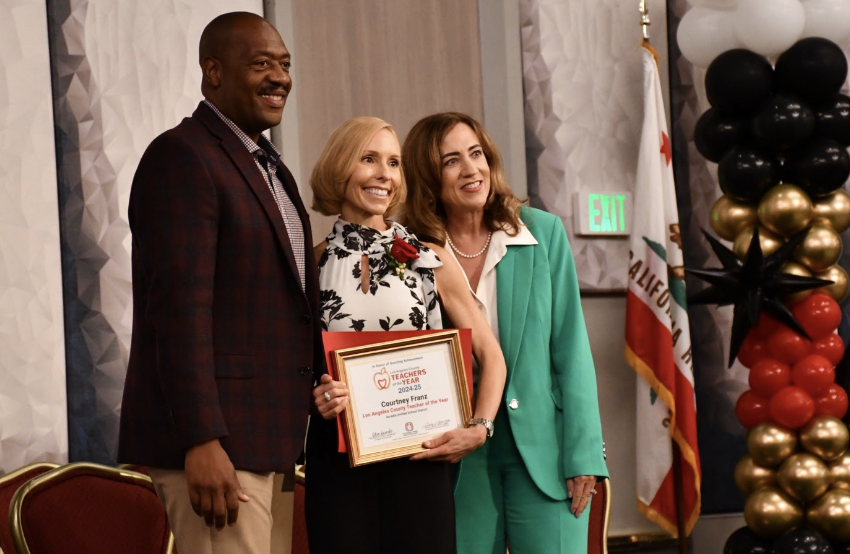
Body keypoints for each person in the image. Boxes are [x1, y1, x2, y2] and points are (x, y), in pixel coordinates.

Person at [117, 12, 321, 554]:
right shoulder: (182, 157)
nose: (280, 78)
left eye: (285, 64)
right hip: (219, 449)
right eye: (261, 64)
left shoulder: (267, 165)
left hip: (270, 442)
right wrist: (202, 439)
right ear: (213, 71)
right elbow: (178, 314)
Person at [401, 112, 609, 554]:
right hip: (454, 452)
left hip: (544, 450)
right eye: (451, 161)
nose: (471, 169)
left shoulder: (543, 232)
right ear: (427, 177)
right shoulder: (409, 251)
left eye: (476, 154)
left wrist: (584, 454)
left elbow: (571, 350)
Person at [304, 117, 507, 554]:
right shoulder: (310, 263)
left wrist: (480, 427)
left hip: (420, 460)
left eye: (394, 163)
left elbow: (492, 357)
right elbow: (292, 369)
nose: (385, 174)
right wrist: (314, 396)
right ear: (340, 168)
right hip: (339, 464)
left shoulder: (430, 257)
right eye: (369, 159)